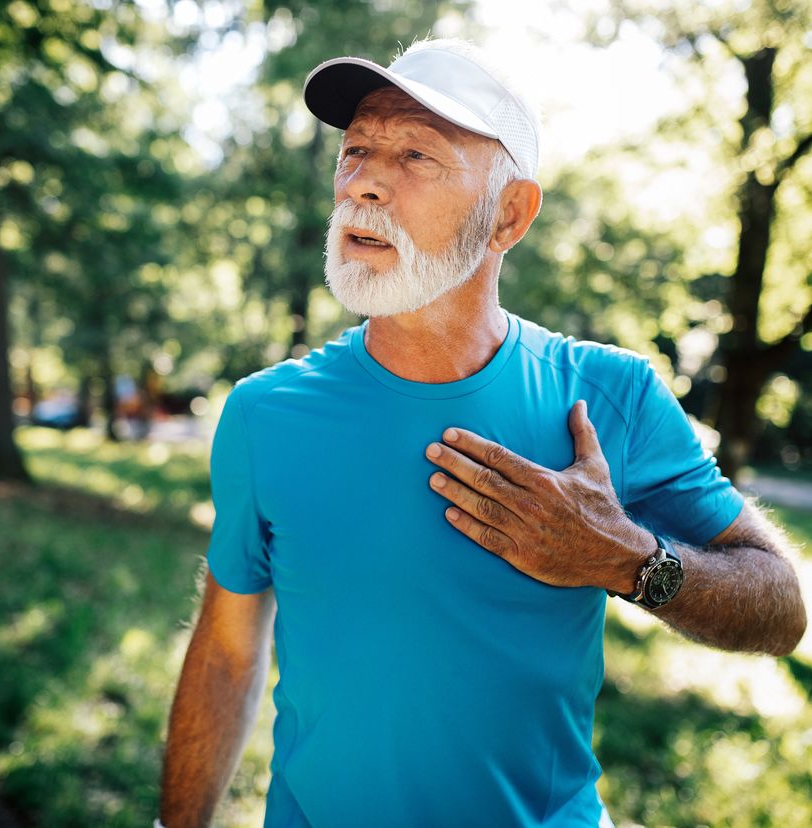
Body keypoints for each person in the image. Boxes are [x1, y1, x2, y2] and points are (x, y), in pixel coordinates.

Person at [159, 38, 807, 828]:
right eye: (355, 149)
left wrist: (627, 560)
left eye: (415, 155)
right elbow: (227, 650)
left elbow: (782, 609)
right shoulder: (265, 413)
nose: (362, 179)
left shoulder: (610, 395)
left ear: (509, 214)